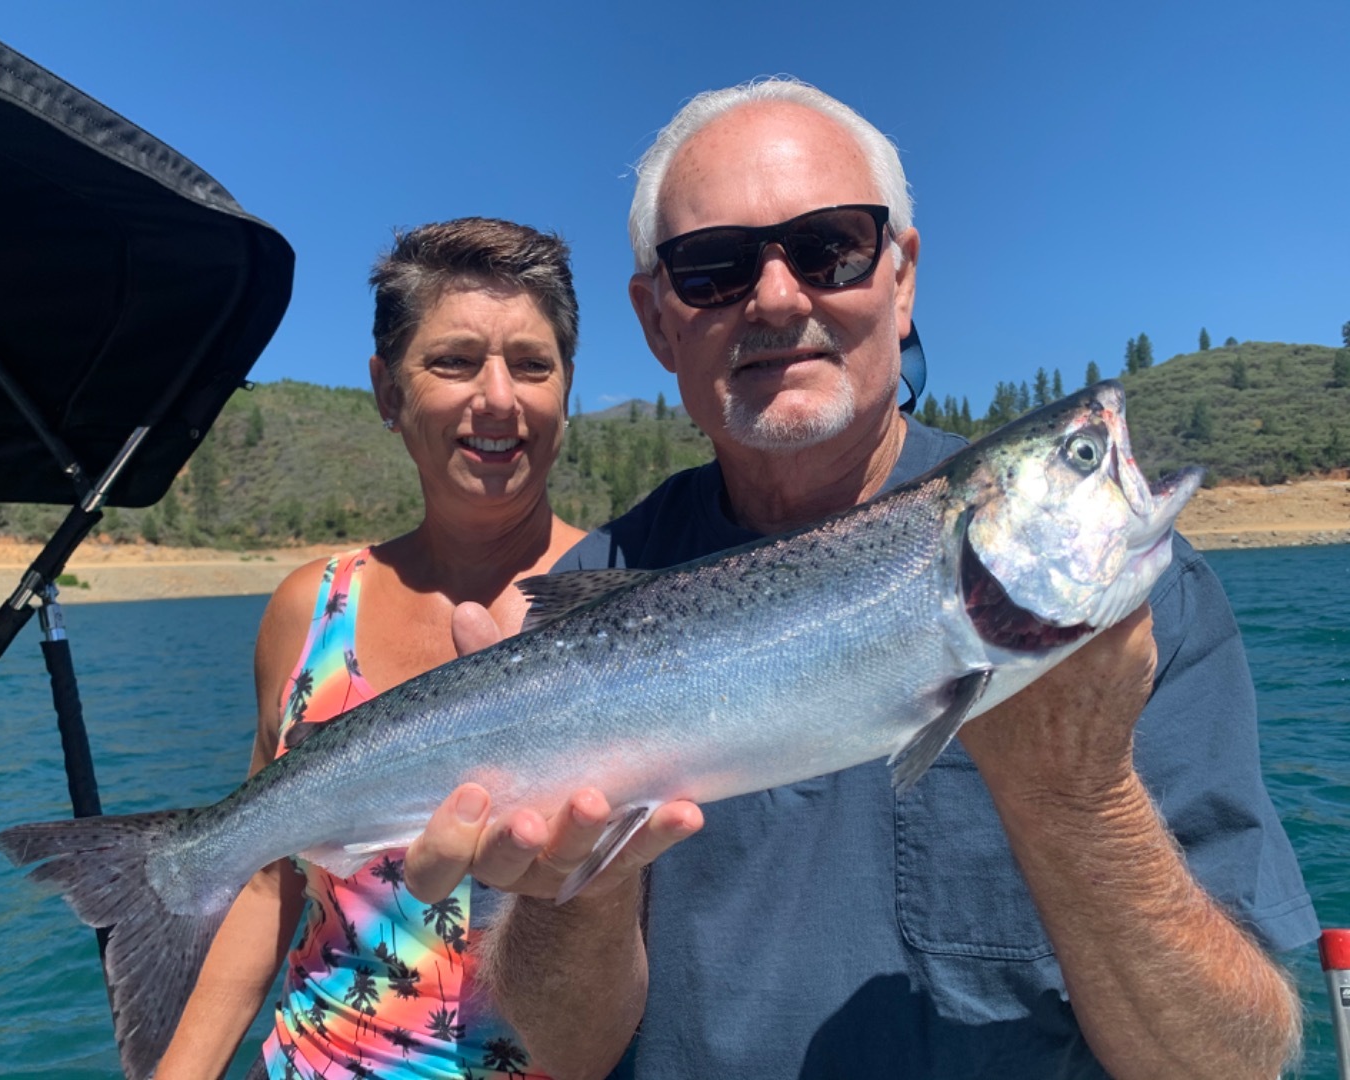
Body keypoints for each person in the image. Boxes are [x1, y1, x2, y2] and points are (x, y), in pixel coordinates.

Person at [408, 80, 1320, 1079]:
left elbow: (1234, 1065)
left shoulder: (1142, 609)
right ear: (659, 321)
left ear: (903, 275)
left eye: (830, 247)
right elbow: (568, 1052)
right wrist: (578, 889)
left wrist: (1079, 801)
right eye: (711, 268)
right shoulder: (590, 595)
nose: (777, 297)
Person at [156, 217, 584, 1080]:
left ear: (566, 390)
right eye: (454, 361)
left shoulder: (628, 605)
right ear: (387, 393)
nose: (498, 397)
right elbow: (265, 872)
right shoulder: (310, 609)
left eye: (532, 364)